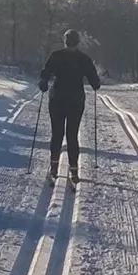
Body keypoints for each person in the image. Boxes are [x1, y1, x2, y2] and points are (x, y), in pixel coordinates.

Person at [38, 29, 102, 184]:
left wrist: (43, 84)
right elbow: (95, 82)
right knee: (72, 135)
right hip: (76, 100)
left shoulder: (56, 56)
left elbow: (45, 74)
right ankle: (74, 172)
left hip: (57, 99)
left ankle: (53, 168)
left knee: (57, 134)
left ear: (65, 41)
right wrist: (95, 84)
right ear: (78, 42)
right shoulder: (84, 59)